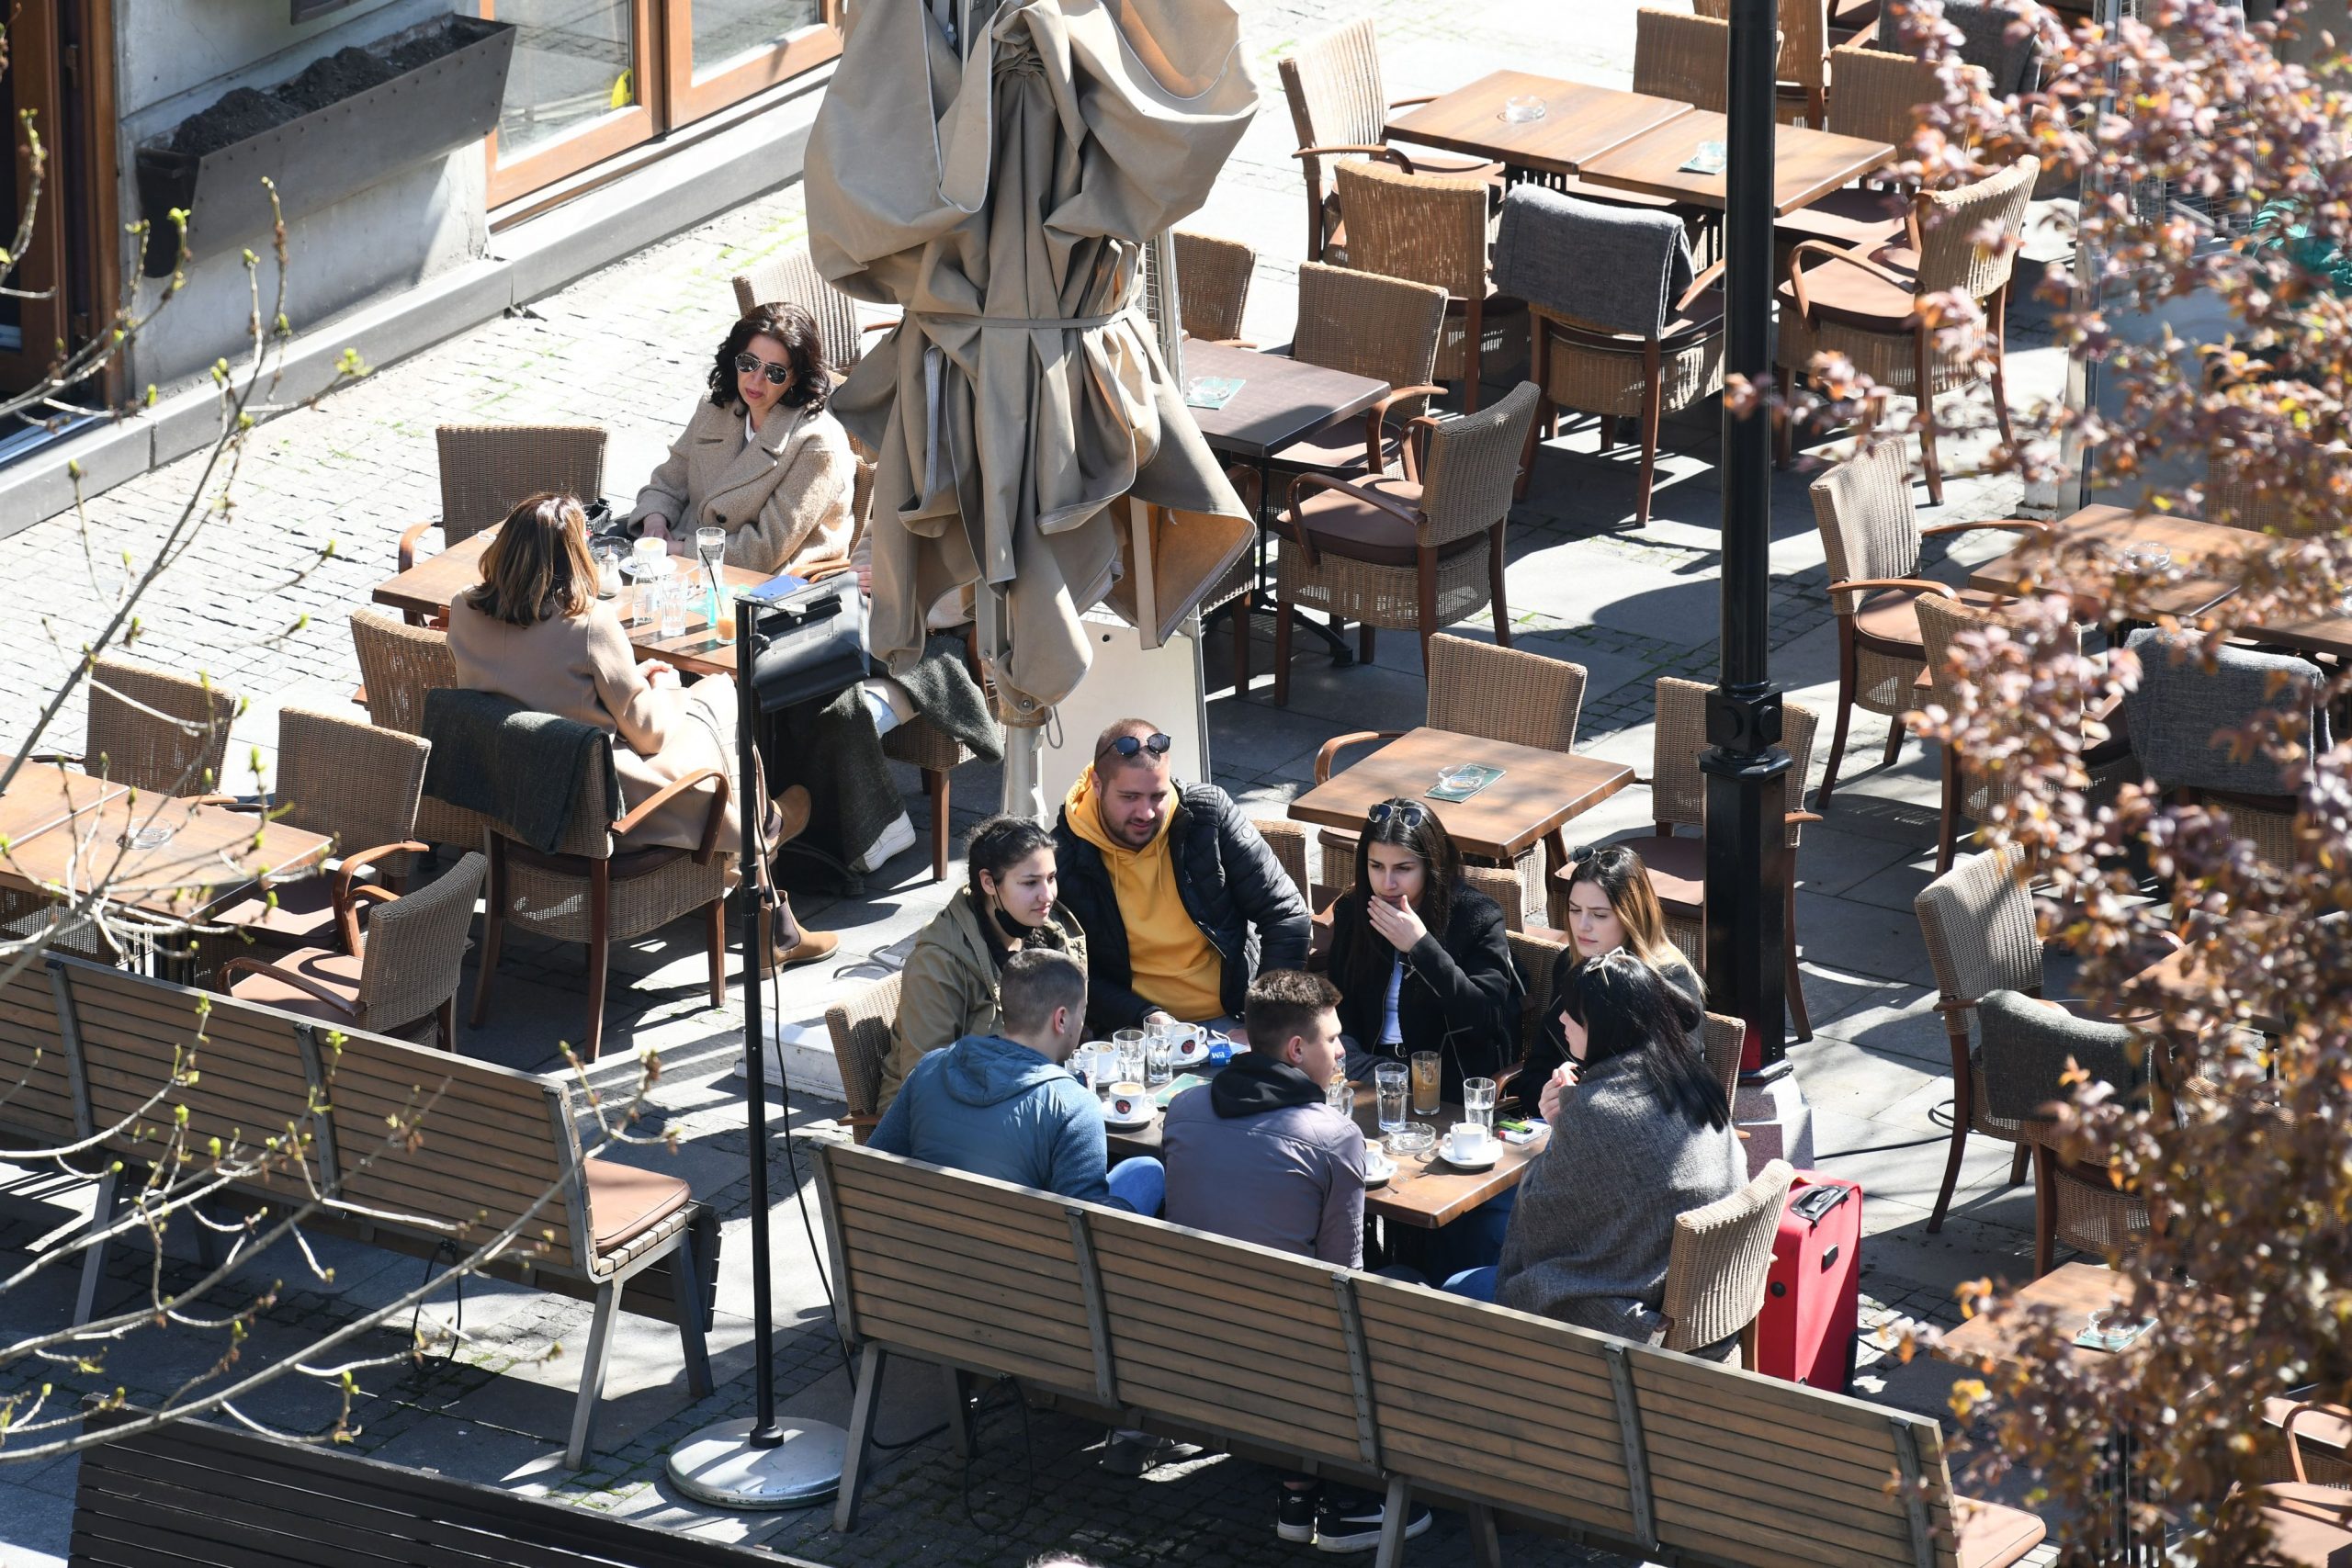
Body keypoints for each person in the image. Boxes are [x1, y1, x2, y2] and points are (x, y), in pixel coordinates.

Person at [443, 491, 834, 968]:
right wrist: (666, 685)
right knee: (718, 693)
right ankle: (763, 849)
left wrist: (623, 686)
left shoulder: (464, 611)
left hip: (516, 789)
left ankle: (763, 851)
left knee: (707, 708)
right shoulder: (587, 625)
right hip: (604, 804)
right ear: (573, 557)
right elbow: (649, 734)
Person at [1159, 970, 1429, 1551]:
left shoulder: (1181, 1110)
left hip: (1190, 1340)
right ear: (1295, 1050)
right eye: (1333, 1040)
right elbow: (1344, 1279)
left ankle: (1296, 1486)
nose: (1342, 1051)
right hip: (1293, 1359)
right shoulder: (1334, 1136)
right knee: (1405, 1285)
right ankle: (1353, 1495)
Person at [1453, 951, 1744, 1356]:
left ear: (1604, 1026)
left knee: (1455, 1283)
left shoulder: (1599, 1107)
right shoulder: (1694, 1078)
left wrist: (1565, 1124)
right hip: (1703, 1306)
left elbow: (1541, 1218)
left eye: (1573, 1014)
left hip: (1619, 1316)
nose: (1561, 1020)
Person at [1054, 718, 1310, 1035]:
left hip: (1235, 1017)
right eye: (1130, 797)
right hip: (1133, 1030)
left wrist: (1264, 1022)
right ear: (1097, 784)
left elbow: (1288, 915)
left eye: (1157, 796)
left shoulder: (1208, 815)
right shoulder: (1062, 854)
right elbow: (1066, 967)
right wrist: (1143, 1015)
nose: (1146, 813)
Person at [867, 949, 1163, 1215]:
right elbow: (1088, 1227)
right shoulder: (1075, 1106)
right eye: (1082, 1013)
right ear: (1061, 1020)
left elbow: (873, 1163)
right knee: (1148, 1171)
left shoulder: (930, 1067)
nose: (1082, 1024)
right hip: (1028, 1269)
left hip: (921, 1254)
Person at [876, 815, 1088, 1115]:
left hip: (1025, 1098)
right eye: (1030, 882)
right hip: (944, 1124)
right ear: (989, 882)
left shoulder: (1054, 933)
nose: (1047, 896)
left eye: (1051, 878)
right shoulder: (939, 962)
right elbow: (923, 1082)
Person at [630, 302, 855, 577]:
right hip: (684, 558)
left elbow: (762, 551)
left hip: (766, 585)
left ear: (796, 377)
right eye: (748, 364)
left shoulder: (816, 444)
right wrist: (655, 522)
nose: (756, 380)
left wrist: (677, 549)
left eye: (775, 372)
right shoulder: (717, 406)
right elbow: (668, 482)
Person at [1324, 798, 1522, 1103]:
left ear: (1431, 867)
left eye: (1403, 869)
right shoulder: (1354, 910)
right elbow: (1338, 996)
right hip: (1365, 1066)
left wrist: (1422, 948)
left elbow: (1486, 1019)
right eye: (1376, 866)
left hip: (1445, 1076)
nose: (1387, 883)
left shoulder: (1476, 916)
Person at [1519, 844, 1704, 1118]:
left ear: (1632, 916)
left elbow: (1672, 1088)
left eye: (1599, 914)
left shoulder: (1669, 981)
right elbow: (1537, 1069)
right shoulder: (1569, 964)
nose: (1582, 925)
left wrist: (1583, 1098)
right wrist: (1549, 1092)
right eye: (1574, 910)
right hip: (1561, 1126)